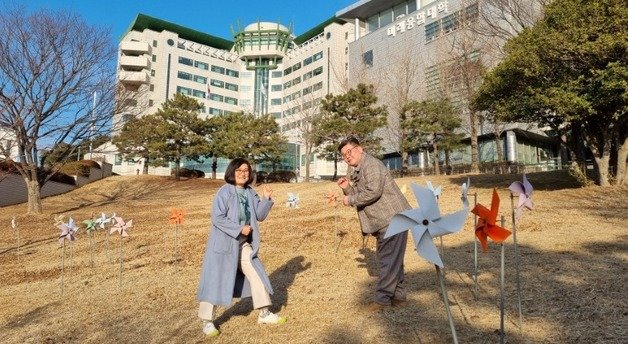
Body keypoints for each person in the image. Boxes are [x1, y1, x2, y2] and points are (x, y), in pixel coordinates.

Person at [197, 158, 286, 336]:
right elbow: (217, 217)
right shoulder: (224, 192)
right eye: (239, 170)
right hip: (223, 246)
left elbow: (259, 216)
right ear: (232, 172)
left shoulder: (250, 192)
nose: (243, 173)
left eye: (246, 170)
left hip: (243, 244)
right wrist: (239, 228)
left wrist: (266, 199)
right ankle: (207, 321)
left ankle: (264, 313)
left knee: (256, 273)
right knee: (215, 281)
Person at [336, 137, 411, 311]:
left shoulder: (371, 164)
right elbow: (362, 192)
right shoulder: (359, 169)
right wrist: (347, 188)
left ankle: (382, 300)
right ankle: (399, 298)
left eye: (350, 151)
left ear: (360, 149)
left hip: (393, 218)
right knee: (393, 260)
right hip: (384, 221)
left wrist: (350, 199)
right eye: (343, 155)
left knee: (388, 260)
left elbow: (373, 192)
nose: (347, 156)